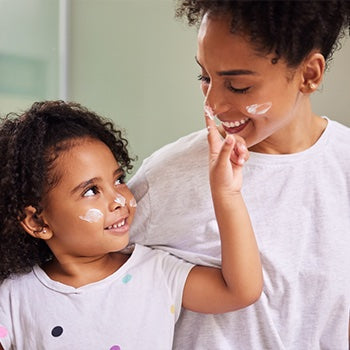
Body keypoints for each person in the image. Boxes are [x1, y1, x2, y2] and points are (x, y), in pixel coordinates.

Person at [128, 1, 350, 349]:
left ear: (309, 74)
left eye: (238, 87)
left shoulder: (343, 165)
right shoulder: (167, 178)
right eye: (205, 77)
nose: (212, 104)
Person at [0, 100, 262, 349]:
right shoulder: (13, 297)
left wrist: (227, 194)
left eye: (118, 180)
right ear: (37, 221)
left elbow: (240, 291)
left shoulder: (157, 273)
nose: (118, 200)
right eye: (91, 191)